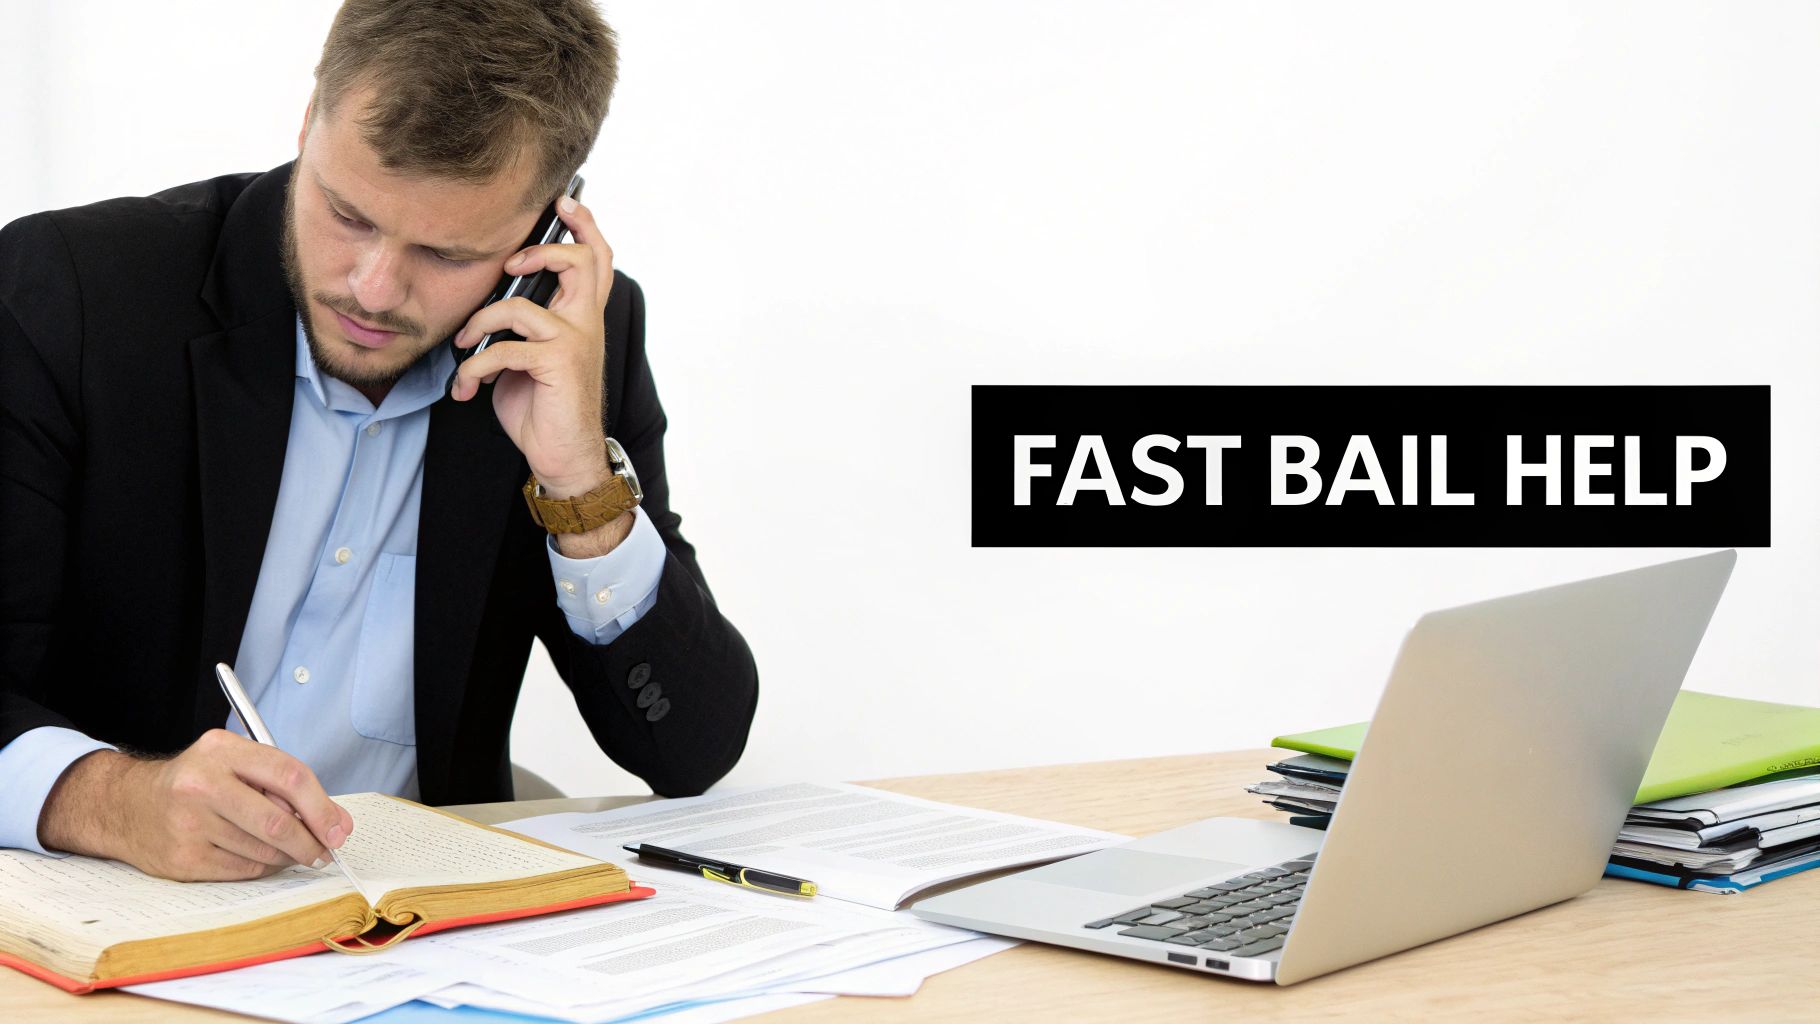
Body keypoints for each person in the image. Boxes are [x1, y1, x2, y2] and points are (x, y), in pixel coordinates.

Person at [0, 0, 757, 882]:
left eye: (445, 253)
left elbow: (691, 751)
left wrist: (578, 484)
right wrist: (109, 801)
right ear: (308, 121)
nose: (371, 286)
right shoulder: (73, 296)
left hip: (407, 943)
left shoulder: (572, 343)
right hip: (97, 913)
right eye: (348, 214)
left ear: (546, 229)